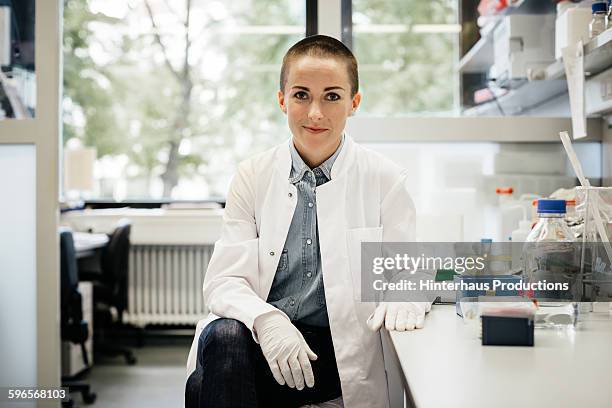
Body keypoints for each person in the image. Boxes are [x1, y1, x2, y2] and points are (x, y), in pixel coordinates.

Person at [185, 34, 430, 408]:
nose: (316, 112)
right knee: (225, 337)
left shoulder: (383, 178)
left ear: (354, 103)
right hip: (257, 338)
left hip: (335, 351)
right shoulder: (253, 175)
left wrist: (406, 295)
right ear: (282, 99)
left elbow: (410, 270)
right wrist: (267, 321)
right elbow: (223, 281)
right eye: (301, 95)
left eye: (332, 96)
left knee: (203, 389)